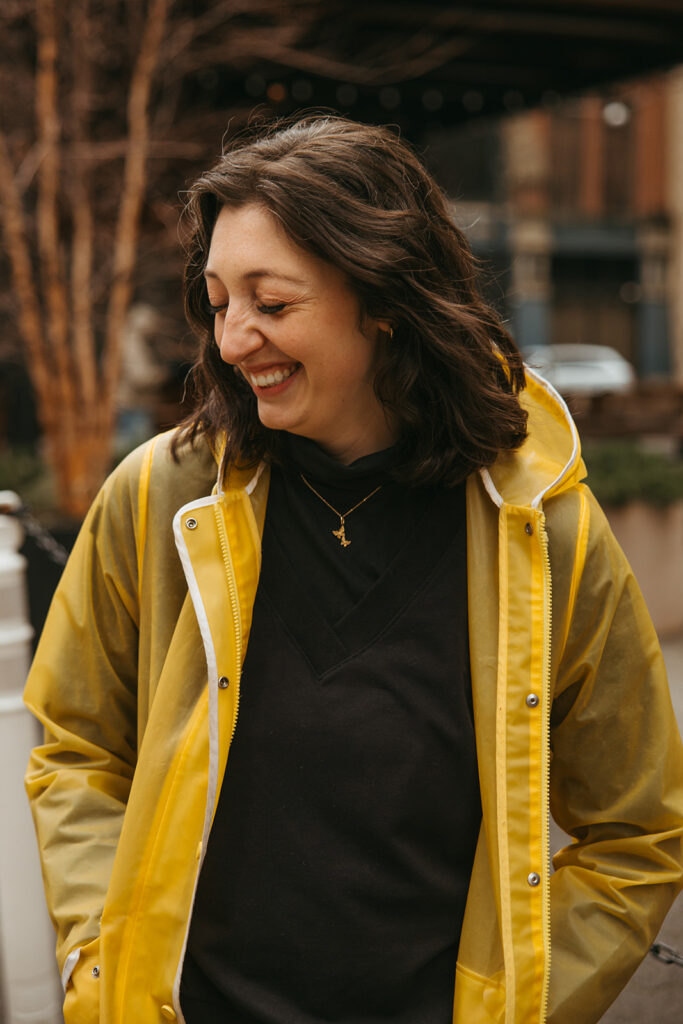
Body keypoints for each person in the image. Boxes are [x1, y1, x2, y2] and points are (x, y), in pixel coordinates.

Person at [24, 115, 683, 1024]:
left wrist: (517, 1010)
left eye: (272, 302)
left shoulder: (543, 528)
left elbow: (634, 833)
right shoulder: (159, 497)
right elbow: (77, 748)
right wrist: (101, 970)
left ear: (383, 298)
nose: (232, 339)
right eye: (219, 301)